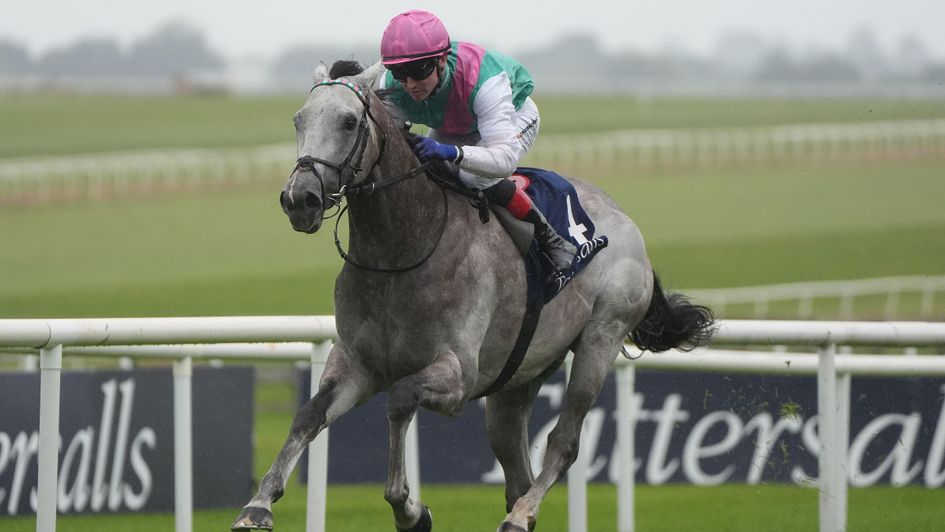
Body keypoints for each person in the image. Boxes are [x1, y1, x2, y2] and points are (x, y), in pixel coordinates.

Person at [378, 9, 576, 274]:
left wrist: (451, 152)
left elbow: (504, 159)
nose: (410, 84)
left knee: (472, 177)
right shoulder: (391, 85)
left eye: (417, 71)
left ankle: (550, 238)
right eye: (400, 73)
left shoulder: (485, 81)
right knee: (425, 169)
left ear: (442, 60)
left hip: (512, 117)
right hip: (455, 123)